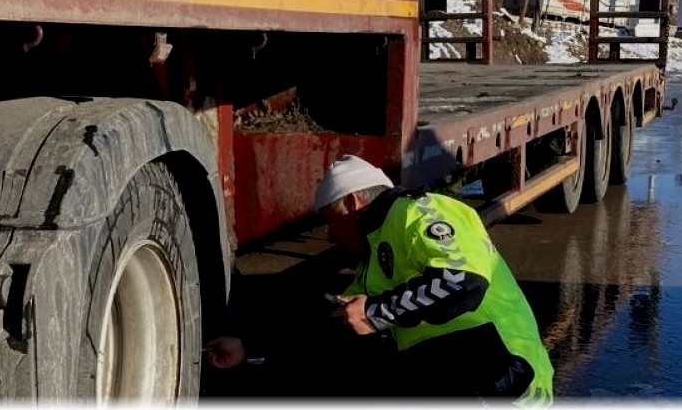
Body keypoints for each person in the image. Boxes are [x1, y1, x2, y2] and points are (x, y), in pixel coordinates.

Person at [207, 155, 554, 404]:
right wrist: (248, 346)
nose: (329, 235)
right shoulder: (372, 266)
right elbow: (327, 326)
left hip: (505, 375)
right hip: (458, 372)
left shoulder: (423, 210)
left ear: (354, 202)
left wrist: (377, 312)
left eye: (331, 219)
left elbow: (463, 281)